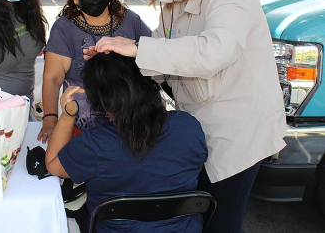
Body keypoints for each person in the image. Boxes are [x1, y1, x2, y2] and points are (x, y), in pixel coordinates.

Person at [89, 0, 287, 232]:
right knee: (198, 214)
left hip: (238, 131)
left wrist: (139, 49)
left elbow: (213, 52)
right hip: (199, 128)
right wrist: (117, 59)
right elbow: (162, 59)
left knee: (221, 219)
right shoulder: (173, 4)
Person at [45, 52, 208, 233]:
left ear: (102, 101)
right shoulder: (188, 127)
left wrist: (68, 115)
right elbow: (195, 168)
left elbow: (52, 164)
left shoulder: (94, 144)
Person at [38, 0, 151, 143]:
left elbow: (154, 56)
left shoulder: (131, 20)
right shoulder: (64, 28)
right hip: (84, 131)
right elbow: (52, 78)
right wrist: (50, 120)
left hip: (133, 126)